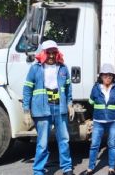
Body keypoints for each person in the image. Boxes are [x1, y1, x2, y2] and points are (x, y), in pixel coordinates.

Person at [22, 40, 74, 175]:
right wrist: (26, 111)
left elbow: (68, 88)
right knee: (42, 143)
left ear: (57, 53)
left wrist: (69, 104)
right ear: (43, 53)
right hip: (42, 109)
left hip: (60, 107)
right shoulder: (35, 68)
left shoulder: (63, 68)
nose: (51, 55)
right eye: (48, 52)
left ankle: (67, 168)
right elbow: (27, 89)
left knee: (64, 139)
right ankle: (38, 170)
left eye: (54, 52)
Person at [83, 63, 115, 175]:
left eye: (110, 75)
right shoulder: (95, 88)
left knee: (112, 144)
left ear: (113, 76)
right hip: (98, 121)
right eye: (105, 75)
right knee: (94, 145)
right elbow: (91, 102)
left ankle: (111, 168)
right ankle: (90, 168)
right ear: (101, 76)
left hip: (114, 120)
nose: (107, 77)